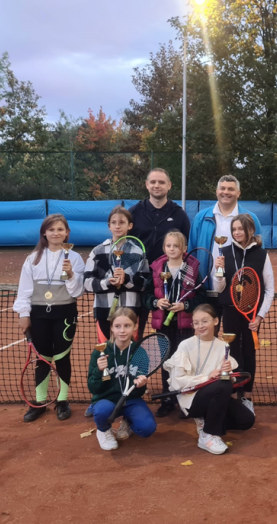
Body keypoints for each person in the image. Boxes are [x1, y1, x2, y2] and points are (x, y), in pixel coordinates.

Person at [13, 214, 85, 422]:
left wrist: (71, 275)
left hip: (65, 314)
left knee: (62, 357)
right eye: (52, 229)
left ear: (67, 233)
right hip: (38, 315)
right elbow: (24, 290)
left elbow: (77, 291)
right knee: (42, 359)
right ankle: (40, 401)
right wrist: (24, 314)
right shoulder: (32, 258)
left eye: (60, 229)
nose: (56, 233)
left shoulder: (75, 258)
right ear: (44, 232)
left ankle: (62, 400)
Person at [164, 304, 255, 455]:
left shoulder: (223, 346)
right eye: (196, 322)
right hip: (190, 399)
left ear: (216, 321)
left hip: (215, 394)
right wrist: (208, 377)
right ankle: (208, 434)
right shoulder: (185, 345)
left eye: (205, 321)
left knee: (246, 420)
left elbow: (228, 381)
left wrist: (228, 374)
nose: (200, 326)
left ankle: (208, 418)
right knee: (222, 385)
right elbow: (177, 381)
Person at [212, 214, 274, 414]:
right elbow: (219, 288)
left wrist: (260, 316)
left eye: (241, 229)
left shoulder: (262, 254)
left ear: (251, 230)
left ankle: (247, 397)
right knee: (231, 354)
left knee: (249, 353)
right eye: (234, 229)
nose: (237, 233)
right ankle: (231, 395)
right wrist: (218, 271)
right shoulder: (224, 253)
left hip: (252, 315)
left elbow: (269, 289)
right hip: (230, 311)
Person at [143, 231, 204, 418]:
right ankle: (167, 399)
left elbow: (201, 296)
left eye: (176, 246)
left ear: (184, 248)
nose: (172, 249)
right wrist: (156, 303)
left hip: (184, 325)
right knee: (166, 362)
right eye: (168, 246)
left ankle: (185, 399)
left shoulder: (191, 269)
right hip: (164, 325)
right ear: (164, 248)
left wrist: (184, 305)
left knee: (185, 362)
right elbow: (146, 295)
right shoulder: (157, 268)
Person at [130, 168, 191, 337]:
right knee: (133, 332)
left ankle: (170, 363)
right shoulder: (134, 212)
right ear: (147, 185)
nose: (157, 185)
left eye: (161, 182)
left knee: (169, 334)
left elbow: (185, 247)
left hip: (168, 283)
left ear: (169, 186)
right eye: (153, 182)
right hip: (138, 282)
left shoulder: (179, 215)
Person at [86, 308, 157, 451]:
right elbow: (93, 388)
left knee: (147, 428)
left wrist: (140, 385)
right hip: (107, 399)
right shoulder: (101, 351)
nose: (122, 331)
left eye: (127, 326)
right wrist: (99, 371)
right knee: (101, 411)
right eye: (117, 326)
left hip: (131, 400)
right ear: (111, 328)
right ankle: (104, 430)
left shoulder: (140, 352)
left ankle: (128, 421)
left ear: (135, 326)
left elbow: (139, 392)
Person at [189, 175, 263, 300]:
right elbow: (192, 252)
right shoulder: (201, 217)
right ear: (217, 191)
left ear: (238, 193)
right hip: (205, 288)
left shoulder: (251, 218)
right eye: (222, 188)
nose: (226, 192)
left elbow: (258, 253)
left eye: (231, 189)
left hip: (238, 288)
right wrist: (194, 282)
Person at [83, 206, 149, 341]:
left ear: (130, 225)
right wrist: (107, 282)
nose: (117, 226)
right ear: (109, 226)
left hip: (131, 312)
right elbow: (87, 283)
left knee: (129, 355)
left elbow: (145, 283)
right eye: (114, 223)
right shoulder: (97, 251)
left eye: (122, 222)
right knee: (106, 354)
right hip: (104, 311)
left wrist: (126, 280)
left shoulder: (138, 252)